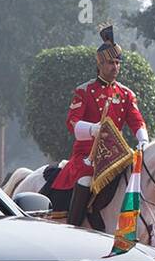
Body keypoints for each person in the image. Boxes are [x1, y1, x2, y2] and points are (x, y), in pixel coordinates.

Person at [51, 23, 149, 227]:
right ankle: (74, 226)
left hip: (116, 155)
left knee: (138, 179)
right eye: (111, 63)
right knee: (85, 181)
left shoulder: (126, 94)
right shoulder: (84, 91)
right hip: (87, 155)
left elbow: (136, 120)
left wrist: (143, 140)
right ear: (100, 65)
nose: (116, 67)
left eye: (118, 63)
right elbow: (72, 122)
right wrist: (93, 129)